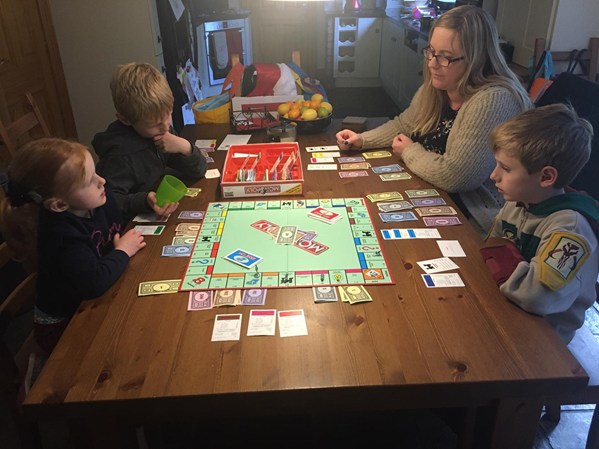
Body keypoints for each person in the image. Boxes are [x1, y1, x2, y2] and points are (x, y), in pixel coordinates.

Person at [335, 5, 532, 232]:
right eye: (431, 52)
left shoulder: (494, 100)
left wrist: (409, 151)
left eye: (446, 57)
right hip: (426, 193)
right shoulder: (441, 85)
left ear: (477, 58)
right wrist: (362, 139)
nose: (432, 64)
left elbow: (457, 176)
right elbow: (404, 125)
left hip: (474, 220)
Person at [0, 138, 146, 354]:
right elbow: (94, 282)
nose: (102, 181)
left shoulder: (95, 201)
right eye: (89, 181)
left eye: (96, 172)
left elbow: (119, 220)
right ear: (59, 204)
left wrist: (145, 201)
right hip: (62, 326)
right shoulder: (61, 235)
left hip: (91, 300)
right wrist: (123, 251)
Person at [480, 104, 599, 344]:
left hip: (546, 341)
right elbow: (488, 250)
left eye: (505, 168)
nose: (494, 175)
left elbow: (536, 298)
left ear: (546, 177)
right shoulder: (518, 202)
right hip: (507, 310)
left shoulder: (571, 229)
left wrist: (500, 259)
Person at [93, 62, 207, 223]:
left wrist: (185, 147)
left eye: (168, 115)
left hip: (154, 213)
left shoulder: (160, 132)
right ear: (125, 119)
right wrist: (144, 200)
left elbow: (199, 170)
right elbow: (108, 202)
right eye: (155, 124)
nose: (166, 126)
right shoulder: (119, 156)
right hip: (129, 226)